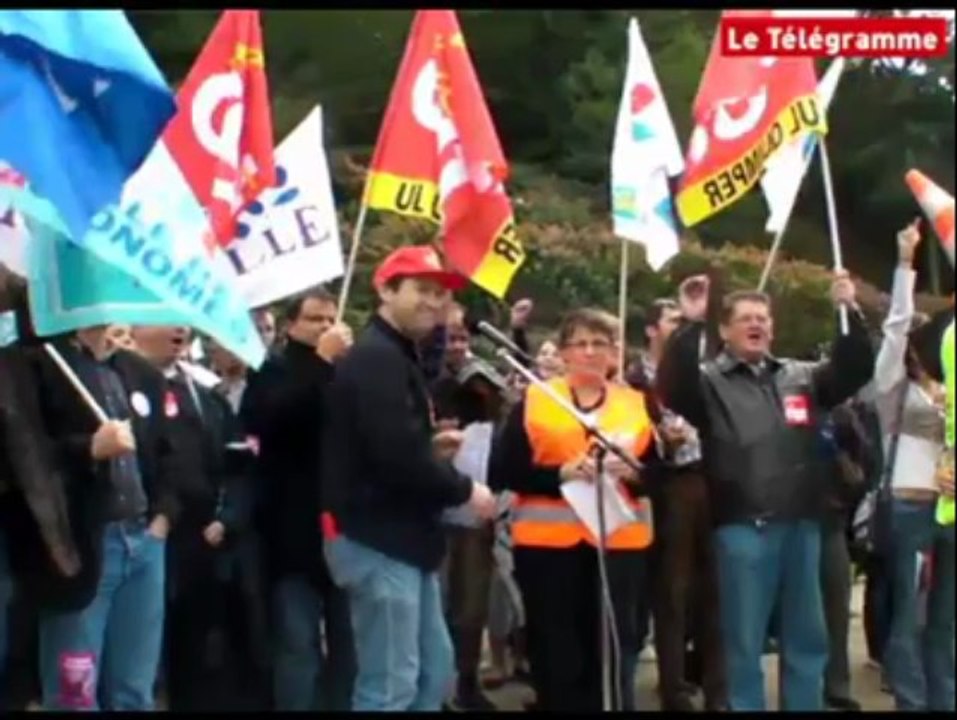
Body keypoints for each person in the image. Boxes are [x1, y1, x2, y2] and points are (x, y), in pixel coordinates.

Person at [657, 266, 874, 711]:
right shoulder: (709, 381)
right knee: (743, 642)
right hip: (743, 529)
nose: (756, 324)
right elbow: (672, 385)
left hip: (802, 526)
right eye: (745, 318)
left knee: (807, 640)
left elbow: (854, 369)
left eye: (763, 317)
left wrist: (847, 311)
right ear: (724, 330)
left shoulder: (802, 376)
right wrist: (691, 320)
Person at [321, 245, 495, 711]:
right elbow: (393, 455)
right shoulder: (378, 357)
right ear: (385, 289)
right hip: (377, 539)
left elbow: (385, 444)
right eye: (422, 289)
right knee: (390, 685)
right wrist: (464, 489)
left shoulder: (395, 355)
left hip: (402, 539)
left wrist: (428, 449)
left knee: (431, 674)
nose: (433, 302)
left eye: (440, 293)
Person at [490, 308, 655, 712]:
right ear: (563, 353)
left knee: (612, 650)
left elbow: (659, 475)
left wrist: (633, 473)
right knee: (556, 653)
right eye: (579, 343)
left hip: (618, 546)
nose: (590, 352)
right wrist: (560, 473)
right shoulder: (534, 399)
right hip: (549, 548)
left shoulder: (637, 404)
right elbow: (503, 470)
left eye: (600, 343)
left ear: (615, 353)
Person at [26, 324, 181, 711]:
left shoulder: (139, 371)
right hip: (82, 548)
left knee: (134, 691)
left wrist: (162, 518)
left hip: (144, 542)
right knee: (74, 694)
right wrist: (87, 449)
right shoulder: (40, 362)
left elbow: (169, 452)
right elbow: (27, 452)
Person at [241, 288, 355, 711]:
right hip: (292, 533)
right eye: (314, 319)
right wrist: (321, 363)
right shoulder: (271, 370)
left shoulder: (350, 372)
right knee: (297, 647)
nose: (326, 327)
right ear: (291, 325)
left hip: (346, 528)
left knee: (350, 648)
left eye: (331, 320)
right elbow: (271, 421)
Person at [130, 325, 255, 710]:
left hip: (200, 542)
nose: (179, 329)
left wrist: (229, 517)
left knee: (195, 647)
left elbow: (237, 465)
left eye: (183, 320)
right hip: (140, 537)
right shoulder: (117, 382)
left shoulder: (205, 394)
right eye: (166, 318)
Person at [627, 295, 727, 712]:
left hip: (710, 480)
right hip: (668, 488)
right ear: (652, 329)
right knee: (671, 591)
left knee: (715, 590)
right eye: (672, 321)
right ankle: (674, 688)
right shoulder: (634, 378)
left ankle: (717, 688)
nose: (680, 329)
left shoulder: (702, 372)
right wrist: (656, 440)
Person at [872, 222, 954, 711]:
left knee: (945, 621)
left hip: (950, 514)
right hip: (910, 510)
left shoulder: (951, 386)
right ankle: (912, 701)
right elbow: (895, 324)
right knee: (911, 618)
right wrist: (906, 264)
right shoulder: (893, 389)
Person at [441, 358, 511, 711]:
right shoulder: (446, 431)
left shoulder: (502, 433)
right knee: (442, 611)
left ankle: (465, 683)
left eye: (487, 386)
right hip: (442, 527)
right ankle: (442, 687)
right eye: (473, 387)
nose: (480, 393)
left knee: (471, 613)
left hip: (481, 530)